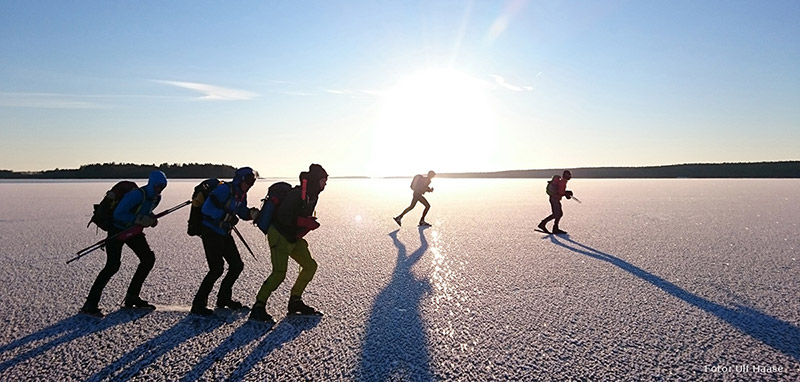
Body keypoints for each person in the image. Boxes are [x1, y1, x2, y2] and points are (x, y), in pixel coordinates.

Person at [80, 171, 167, 317]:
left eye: (163, 186)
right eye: (158, 185)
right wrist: (140, 219)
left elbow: (145, 212)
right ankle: (90, 304)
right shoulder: (137, 195)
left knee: (148, 259)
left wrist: (151, 219)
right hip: (117, 231)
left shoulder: (155, 198)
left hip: (133, 232)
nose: (160, 188)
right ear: (152, 183)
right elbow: (118, 214)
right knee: (112, 266)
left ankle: (132, 297)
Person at [249, 164, 328, 323]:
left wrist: (307, 222)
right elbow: (284, 217)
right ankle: (258, 306)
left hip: (293, 237)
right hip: (279, 235)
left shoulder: (312, 195)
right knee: (279, 273)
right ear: (315, 180)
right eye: (323, 180)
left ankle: (295, 302)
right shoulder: (298, 193)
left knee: (310, 265)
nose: (325, 184)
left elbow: (297, 217)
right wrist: (305, 222)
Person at [190, 167, 260, 316]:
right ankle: (198, 305)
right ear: (240, 179)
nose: (250, 184)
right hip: (210, 231)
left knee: (236, 265)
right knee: (216, 269)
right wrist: (227, 217)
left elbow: (241, 212)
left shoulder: (241, 194)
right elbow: (207, 209)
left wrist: (251, 214)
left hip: (224, 232)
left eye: (253, 182)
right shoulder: (224, 190)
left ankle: (223, 299)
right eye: (248, 181)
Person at [538, 170, 573, 235]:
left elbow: (560, 191)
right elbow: (560, 192)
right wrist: (566, 193)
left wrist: (566, 193)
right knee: (556, 214)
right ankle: (543, 224)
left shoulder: (563, 181)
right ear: (566, 175)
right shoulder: (562, 182)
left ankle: (555, 228)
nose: (570, 176)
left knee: (559, 214)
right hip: (554, 199)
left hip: (555, 199)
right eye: (569, 175)